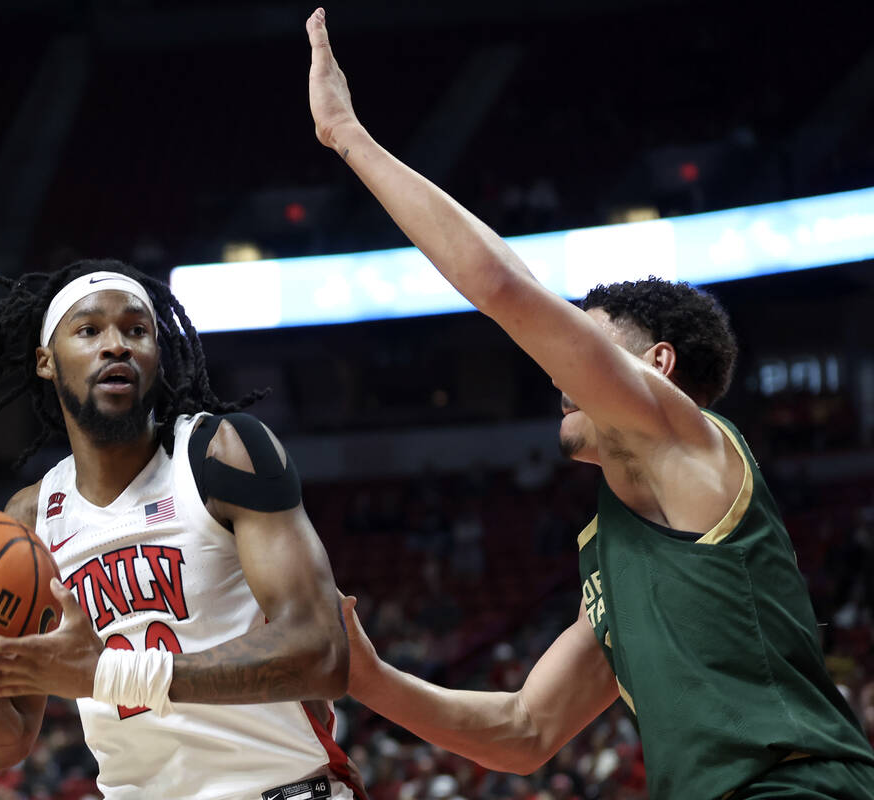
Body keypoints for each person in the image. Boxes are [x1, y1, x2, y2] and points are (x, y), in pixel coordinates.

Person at [303, 8, 874, 800]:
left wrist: (348, 137)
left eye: (586, 347)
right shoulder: (610, 544)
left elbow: (505, 288)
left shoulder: (689, 439)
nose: (555, 370)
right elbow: (524, 733)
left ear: (657, 366)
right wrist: (368, 678)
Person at [0, 260, 365, 800]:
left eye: (136, 330)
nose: (116, 345)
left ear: (156, 355)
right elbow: (5, 744)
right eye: (90, 330)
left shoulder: (221, 453)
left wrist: (107, 674)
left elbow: (322, 656)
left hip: (278, 788)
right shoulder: (30, 518)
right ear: (46, 362)